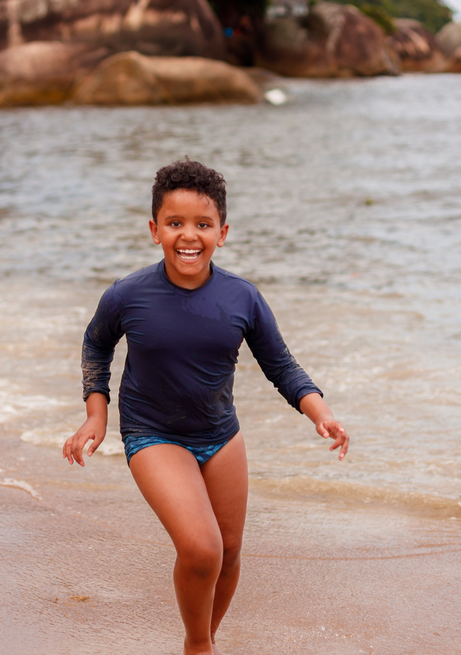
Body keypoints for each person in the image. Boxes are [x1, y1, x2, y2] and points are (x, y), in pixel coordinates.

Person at [63, 159, 349, 655]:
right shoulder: (128, 295)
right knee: (201, 549)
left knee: (230, 552)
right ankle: (199, 647)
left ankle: (203, 641)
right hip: (153, 434)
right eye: (174, 223)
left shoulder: (243, 297)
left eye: (202, 224)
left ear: (223, 231)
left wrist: (319, 411)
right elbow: (96, 345)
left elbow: (281, 365)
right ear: (155, 230)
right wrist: (97, 413)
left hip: (221, 435)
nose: (188, 236)